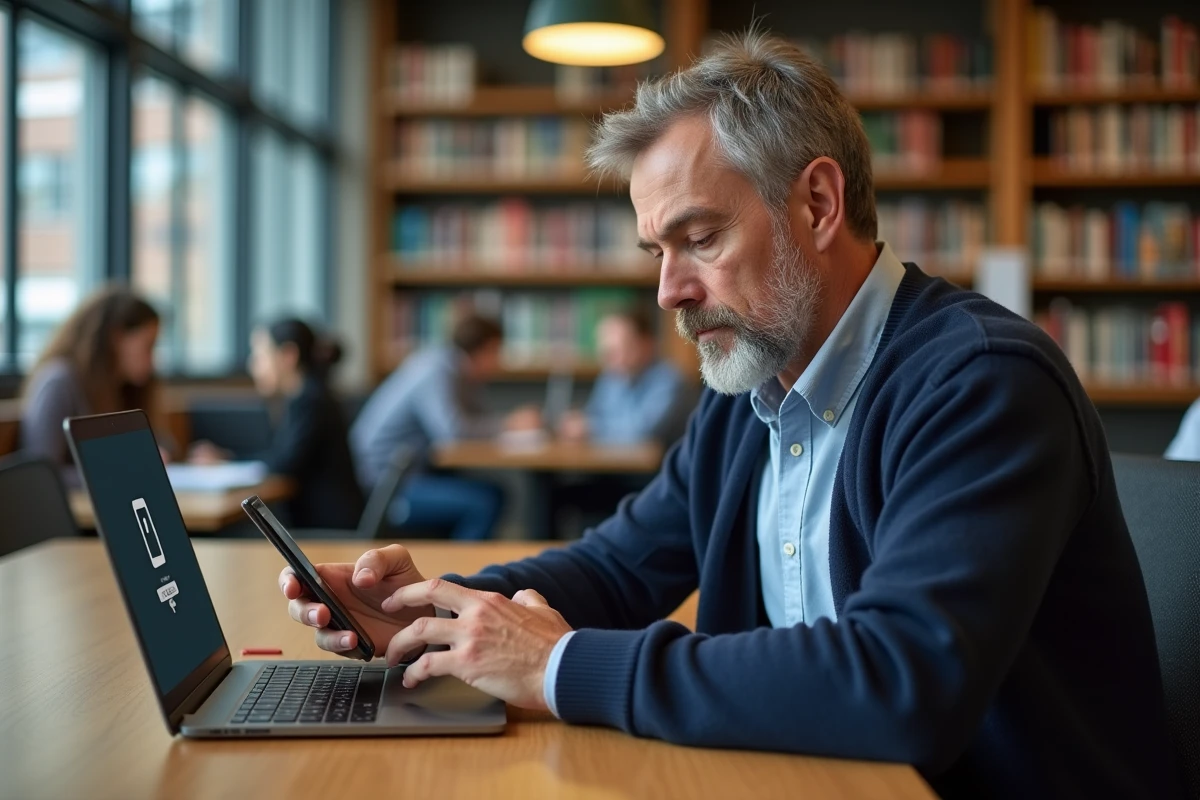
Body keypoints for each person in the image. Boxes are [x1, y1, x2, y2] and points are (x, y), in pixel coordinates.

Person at [279, 32, 1182, 799]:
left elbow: (903, 680)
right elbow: (619, 566)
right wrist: (438, 612)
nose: (669, 289)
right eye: (656, 250)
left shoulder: (981, 384)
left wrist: (556, 667)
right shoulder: (748, 387)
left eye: (700, 238)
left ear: (818, 204)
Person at [349, 314, 516, 541]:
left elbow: (478, 418)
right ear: (484, 349)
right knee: (485, 502)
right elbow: (454, 433)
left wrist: (509, 424)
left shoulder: (459, 372)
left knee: (495, 492)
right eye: (497, 353)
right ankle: (461, 575)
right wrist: (509, 424)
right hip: (387, 487)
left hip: (413, 476)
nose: (499, 363)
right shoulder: (436, 371)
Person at [227, 318, 364, 529]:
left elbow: (284, 464)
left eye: (260, 355)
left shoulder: (311, 400)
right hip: (323, 521)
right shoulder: (306, 395)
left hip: (328, 527)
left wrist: (229, 461)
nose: (253, 365)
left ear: (288, 355)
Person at [21, 287, 163, 468]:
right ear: (117, 338)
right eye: (148, 346)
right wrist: (116, 473)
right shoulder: (58, 383)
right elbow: (43, 472)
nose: (153, 360)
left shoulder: (125, 389)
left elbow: (161, 441)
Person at [557, 308, 690, 446]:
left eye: (621, 346)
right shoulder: (610, 377)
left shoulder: (670, 379)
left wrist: (589, 428)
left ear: (646, 343)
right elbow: (592, 415)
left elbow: (643, 432)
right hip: (612, 463)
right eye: (606, 347)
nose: (609, 355)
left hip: (658, 466)